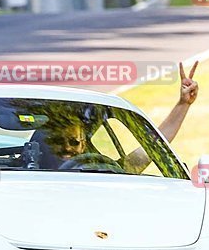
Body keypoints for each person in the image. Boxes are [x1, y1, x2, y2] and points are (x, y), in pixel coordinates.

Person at [35, 60, 199, 172]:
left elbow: (153, 145)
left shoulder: (108, 173)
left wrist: (183, 104)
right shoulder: (26, 178)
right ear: (43, 145)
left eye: (74, 142)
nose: (68, 148)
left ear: (83, 145)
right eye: (57, 141)